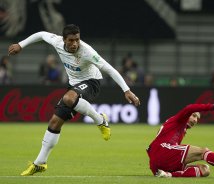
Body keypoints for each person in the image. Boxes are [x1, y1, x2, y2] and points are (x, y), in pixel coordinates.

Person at [8, 24, 141, 176]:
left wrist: (127, 90)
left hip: (92, 82)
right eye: (71, 40)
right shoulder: (56, 41)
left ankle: (99, 120)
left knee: (69, 98)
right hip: (74, 85)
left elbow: (109, 69)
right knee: (54, 122)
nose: (74, 44)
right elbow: (41, 34)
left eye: (77, 40)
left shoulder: (87, 52)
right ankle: (40, 163)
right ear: (63, 40)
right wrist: (21, 44)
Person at [146, 100, 214, 179]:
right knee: (203, 152)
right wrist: (212, 107)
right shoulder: (179, 120)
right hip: (163, 152)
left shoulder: (179, 129)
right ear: (187, 115)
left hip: (158, 165)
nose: (195, 120)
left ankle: (168, 175)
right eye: (193, 116)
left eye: (197, 118)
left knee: (204, 170)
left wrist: (154, 163)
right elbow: (190, 108)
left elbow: (152, 146)